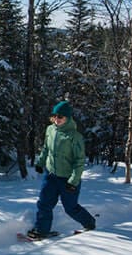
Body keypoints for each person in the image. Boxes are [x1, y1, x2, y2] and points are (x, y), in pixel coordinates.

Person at [26, 100, 96, 239]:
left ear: (68, 118)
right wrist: (40, 162)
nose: (56, 120)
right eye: (55, 116)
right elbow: (46, 148)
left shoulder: (74, 137)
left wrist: (73, 181)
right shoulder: (50, 130)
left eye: (60, 117)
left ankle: (89, 223)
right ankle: (42, 230)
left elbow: (79, 161)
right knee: (44, 203)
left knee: (70, 208)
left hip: (68, 179)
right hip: (51, 175)